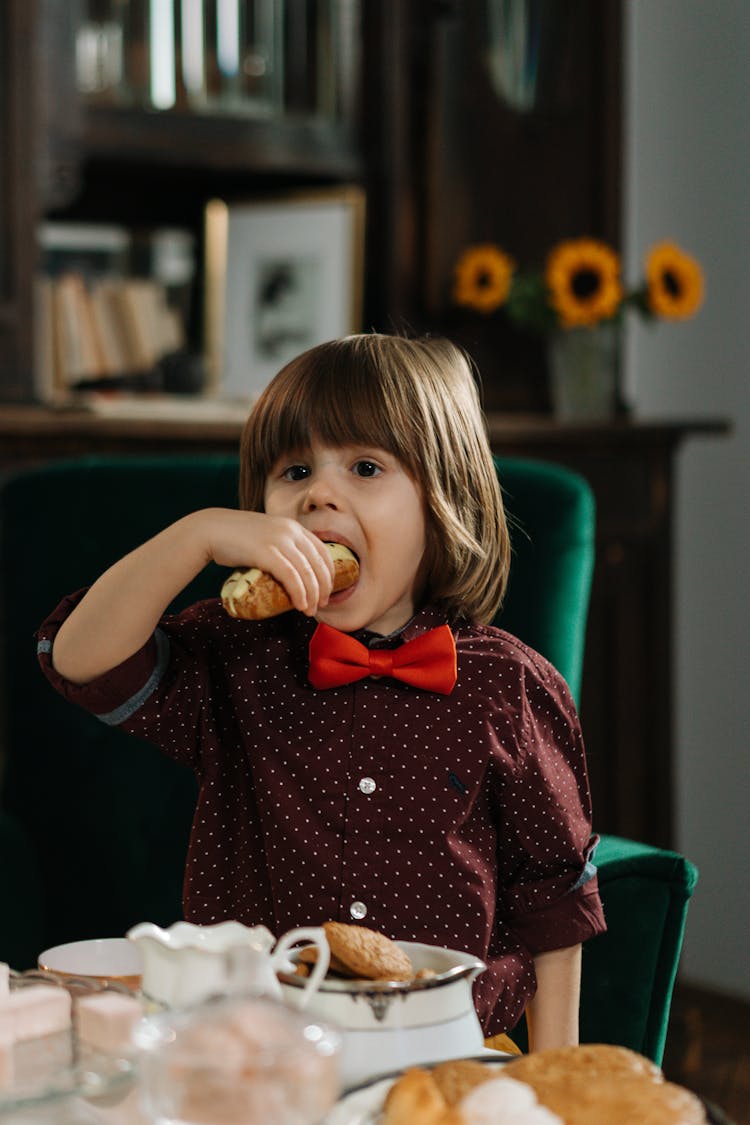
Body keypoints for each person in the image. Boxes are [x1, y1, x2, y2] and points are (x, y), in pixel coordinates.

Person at [38, 333, 605, 1051]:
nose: (319, 494)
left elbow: (554, 903)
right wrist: (198, 535)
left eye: (366, 466)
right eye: (295, 470)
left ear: (444, 498)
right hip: (256, 1047)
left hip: (448, 1048)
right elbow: (79, 657)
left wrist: (554, 1083)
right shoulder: (233, 653)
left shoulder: (513, 687)